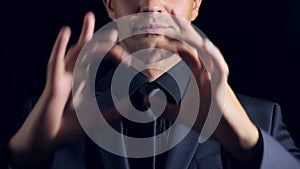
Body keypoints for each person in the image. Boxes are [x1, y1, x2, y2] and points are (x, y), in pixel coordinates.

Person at [1, 0, 300, 168]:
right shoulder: (48, 123)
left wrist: (251, 146)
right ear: (109, 4)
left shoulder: (262, 121)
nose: (151, 4)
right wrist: (22, 156)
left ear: (196, 3)